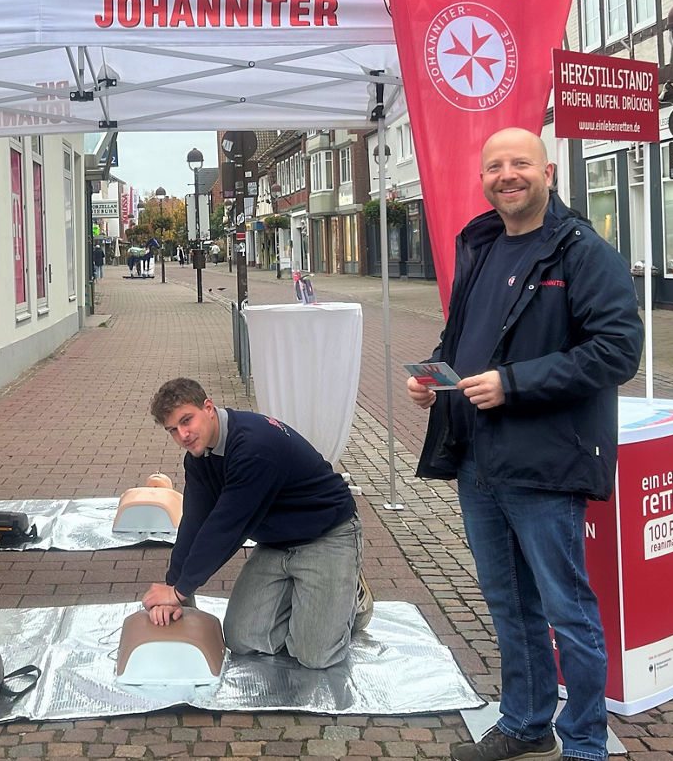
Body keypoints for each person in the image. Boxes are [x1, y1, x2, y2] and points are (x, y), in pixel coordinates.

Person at [407, 128, 641, 761]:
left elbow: (619, 352)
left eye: (520, 164)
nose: (507, 175)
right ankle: (526, 721)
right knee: (509, 604)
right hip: (479, 462)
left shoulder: (582, 252)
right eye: (494, 167)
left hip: (545, 462)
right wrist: (435, 375)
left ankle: (586, 743)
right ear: (482, 179)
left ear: (549, 172)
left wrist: (514, 384)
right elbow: (463, 339)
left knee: (568, 611)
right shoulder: (480, 245)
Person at [142, 378, 373, 669]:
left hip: (326, 536)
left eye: (187, 420)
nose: (183, 435)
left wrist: (179, 591)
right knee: (242, 640)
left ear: (208, 408)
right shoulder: (200, 457)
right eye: (173, 430)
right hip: (276, 544)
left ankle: (354, 597)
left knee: (315, 655)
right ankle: (308, 597)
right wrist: (174, 588)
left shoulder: (254, 447)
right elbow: (194, 522)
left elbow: (226, 528)